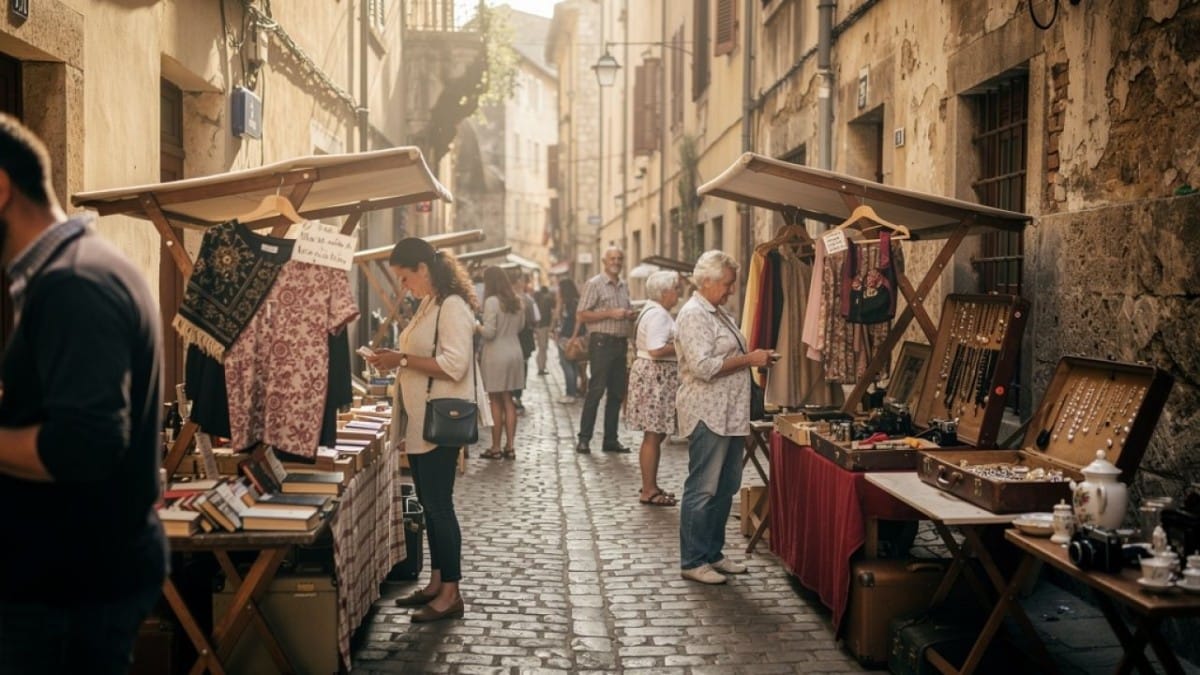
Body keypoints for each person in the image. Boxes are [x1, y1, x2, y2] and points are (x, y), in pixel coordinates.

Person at [0, 114, 169, 671]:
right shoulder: (80, 269)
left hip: (68, 593)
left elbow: (85, 444)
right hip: (74, 581)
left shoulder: (73, 283)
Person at [366, 237, 483, 622]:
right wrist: (395, 360)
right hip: (421, 419)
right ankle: (436, 582)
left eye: (404, 277)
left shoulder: (452, 306)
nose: (404, 286)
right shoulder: (431, 303)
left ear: (422, 269)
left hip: (439, 420)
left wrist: (399, 358)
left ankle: (451, 594)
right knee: (430, 507)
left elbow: (454, 364)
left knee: (439, 507)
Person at [675, 250, 778, 585]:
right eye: (728, 283)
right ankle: (692, 559)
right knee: (703, 487)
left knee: (726, 486)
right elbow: (703, 367)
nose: (732, 290)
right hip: (708, 412)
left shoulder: (718, 312)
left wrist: (752, 360)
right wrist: (750, 359)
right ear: (707, 281)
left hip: (731, 413)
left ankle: (712, 553)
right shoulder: (694, 315)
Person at [626, 270, 682, 507]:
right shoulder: (658, 315)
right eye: (676, 289)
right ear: (664, 292)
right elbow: (656, 348)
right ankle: (648, 489)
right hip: (655, 378)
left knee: (654, 434)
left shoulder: (652, 310)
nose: (678, 293)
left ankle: (651, 484)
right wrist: (683, 344)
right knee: (652, 434)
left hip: (652, 376)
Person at [575, 246, 637, 454]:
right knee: (596, 391)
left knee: (617, 393)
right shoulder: (594, 284)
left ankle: (610, 440)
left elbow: (620, 313)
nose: (616, 262)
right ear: (604, 260)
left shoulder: (624, 285)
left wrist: (628, 314)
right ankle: (584, 439)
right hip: (601, 344)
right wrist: (610, 313)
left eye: (620, 258)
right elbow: (582, 314)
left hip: (620, 343)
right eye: (613, 258)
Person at [477, 265, 525, 460]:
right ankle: (510, 446)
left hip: (496, 354)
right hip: (515, 351)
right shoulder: (518, 301)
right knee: (509, 399)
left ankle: (496, 447)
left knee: (495, 400)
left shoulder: (491, 302)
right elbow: (521, 327)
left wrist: (475, 326)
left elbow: (489, 332)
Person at [555, 277, 585, 403]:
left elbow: (575, 321)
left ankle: (570, 393)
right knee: (572, 364)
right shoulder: (577, 301)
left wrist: (572, 338)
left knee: (567, 364)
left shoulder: (569, 304)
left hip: (567, 338)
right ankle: (575, 391)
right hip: (571, 337)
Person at [534, 284, 555, 375]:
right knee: (543, 347)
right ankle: (541, 368)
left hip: (539, 325)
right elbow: (553, 309)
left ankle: (541, 367)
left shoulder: (537, 299)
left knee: (541, 347)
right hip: (544, 325)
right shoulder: (547, 299)